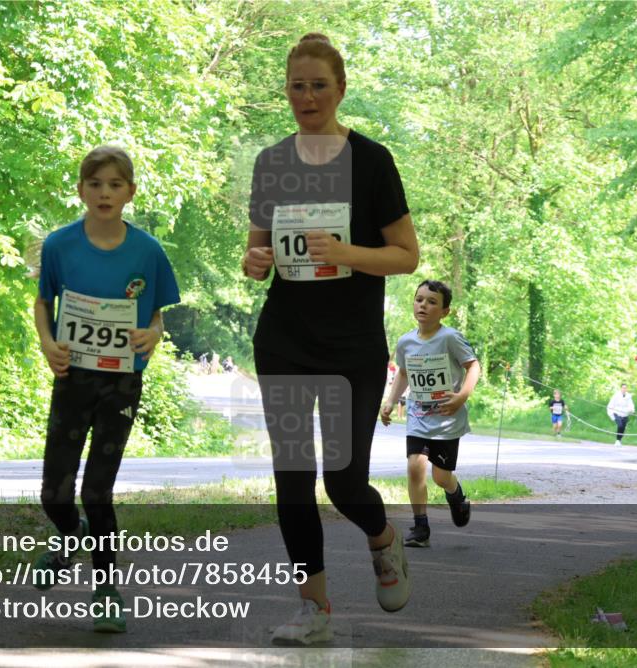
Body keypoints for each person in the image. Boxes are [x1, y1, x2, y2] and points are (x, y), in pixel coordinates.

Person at [242, 33, 420, 645]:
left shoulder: (372, 161)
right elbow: (256, 247)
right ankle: (313, 608)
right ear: (286, 91)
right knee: (292, 474)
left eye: (319, 85)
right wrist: (255, 262)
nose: (307, 96)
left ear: (340, 90)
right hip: (285, 339)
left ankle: (383, 538)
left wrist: (346, 253)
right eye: (297, 85)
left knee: (343, 483)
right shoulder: (272, 162)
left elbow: (406, 255)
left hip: (351, 347)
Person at [31, 146, 181, 633]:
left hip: (121, 382)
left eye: (115, 185)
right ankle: (70, 534)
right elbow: (42, 302)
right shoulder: (59, 245)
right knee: (54, 492)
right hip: (72, 378)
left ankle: (106, 590)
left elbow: (156, 316)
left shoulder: (148, 252)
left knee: (98, 490)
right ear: (81, 190)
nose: (104, 193)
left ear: (130, 193)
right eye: (95, 184)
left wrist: (152, 336)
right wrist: (48, 342)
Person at [381, 281, 480, 549]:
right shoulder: (406, 341)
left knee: (441, 476)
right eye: (419, 299)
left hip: (447, 419)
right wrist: (390, 402)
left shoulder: (450, 338)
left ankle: (456, 495)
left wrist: (461, 397)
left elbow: (473, 367)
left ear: (445, 311)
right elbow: (403, 372)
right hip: (418, 416)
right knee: (415, 467)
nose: (423, 305)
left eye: (432, 301)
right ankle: (420, 527)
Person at [606, 382, 635, 447]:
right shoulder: (616, 395)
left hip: (625, 414)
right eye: (623, 388)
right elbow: (610, 405)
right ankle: (617, 440)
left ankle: (619, 440)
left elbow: (631, 405)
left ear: (627, 389)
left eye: (625, 388)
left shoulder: (628, 396)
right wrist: (611, 414)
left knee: (623, 428)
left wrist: (632, 410)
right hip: (616, 413)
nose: (624, 389)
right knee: (620, 425)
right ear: (621, 388)